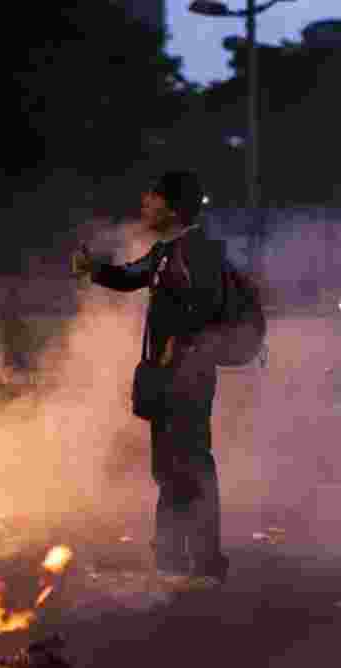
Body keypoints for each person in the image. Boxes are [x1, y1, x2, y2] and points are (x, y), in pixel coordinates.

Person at [71, 170, 230, 583]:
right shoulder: (166, 251)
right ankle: (173, 561)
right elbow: (130, 275)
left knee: (191, 465)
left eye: (152, 196)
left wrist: (182, 345)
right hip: (165, 377)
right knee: (169, 468)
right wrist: (95, 270)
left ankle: (205, 563)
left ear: (173, 207)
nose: (144, 202)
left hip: (188, 378)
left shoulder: (199, 251)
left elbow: (209, 310)